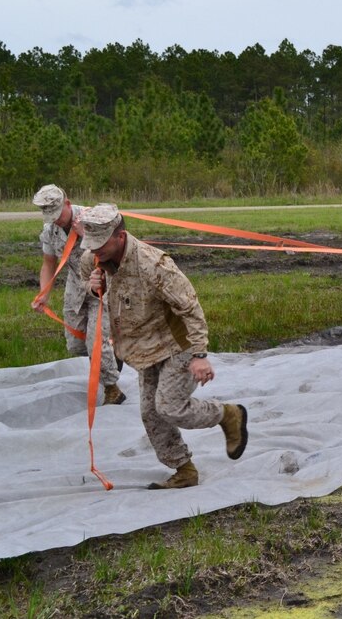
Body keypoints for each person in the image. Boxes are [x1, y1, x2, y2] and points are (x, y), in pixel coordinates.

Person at [79, 204, 248, 489]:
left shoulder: (153, 265)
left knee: (169, 407)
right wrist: (92, 285)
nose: (95, 251)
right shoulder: (93, 258)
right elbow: (89, 282)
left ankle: (229, 414)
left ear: (120, 236)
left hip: (175, 346)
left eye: (101, 244)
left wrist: (199, 355)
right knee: (151, 413)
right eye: (91, 245)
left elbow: (190, 307)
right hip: (143, 350)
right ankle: (184, 470)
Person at [31, 185, 125, 405]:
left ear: (67, 203)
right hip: (76, 287)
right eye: (49, 216)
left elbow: (116, 251)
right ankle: (110, 353)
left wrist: (86, 235)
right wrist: (44, 292)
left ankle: (112, 389)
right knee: (75, 344)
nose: (55, 220)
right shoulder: (50, 230)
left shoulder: (93, 218)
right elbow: (48, 263)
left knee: (95, 342)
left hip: (102, 283)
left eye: (57, 214)